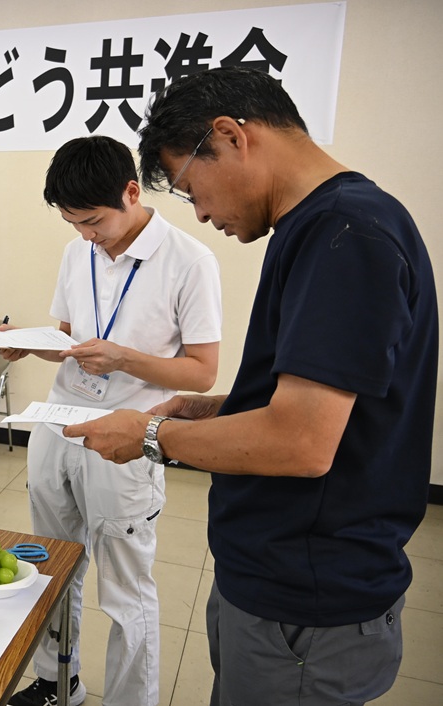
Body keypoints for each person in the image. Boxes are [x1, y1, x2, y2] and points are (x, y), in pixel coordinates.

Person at [74, 67, 437, 706]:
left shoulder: (345, 235)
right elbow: (326, 404)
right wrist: (214, 408)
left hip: (308, 600)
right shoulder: (319, 226)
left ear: (231, 136)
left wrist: (154, 433)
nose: (203, 212)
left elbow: (302, 442)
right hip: (274, 578)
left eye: (191, 188)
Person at [2, 136, 222, 706]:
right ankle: (56, 681)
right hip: (59, 423)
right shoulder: (78, 253)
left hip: (127, 437)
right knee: (51, 565)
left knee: (125, 589)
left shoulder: (189, 260)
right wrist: (31, 344)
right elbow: (72, 341)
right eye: (73, 224)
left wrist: (123, 357)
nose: (86, 236)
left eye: (94, 221)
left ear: (132, 191)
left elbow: (201, 372)